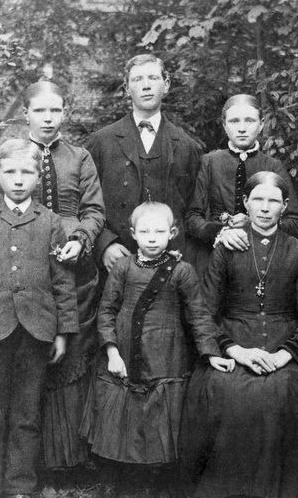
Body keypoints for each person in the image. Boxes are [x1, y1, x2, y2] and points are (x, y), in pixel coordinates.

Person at [0, 81, 105, 469]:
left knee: (65, 354)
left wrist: (80, 239)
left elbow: (95, 210)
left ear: (65, 113)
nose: (48, 118)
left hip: (70, 266)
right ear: (26, 113)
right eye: (40, 111)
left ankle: (66, 458)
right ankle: (13, 464)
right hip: (20, 266)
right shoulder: (11, 156)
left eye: (55, 110)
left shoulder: (79, 157)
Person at [179, 171, 298, 498]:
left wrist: (283, 356)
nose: (265, 208)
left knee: (282, 390)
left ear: (285, 206)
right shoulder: (227, 248)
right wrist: (234, 350)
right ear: (245, 203)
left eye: (273, 201)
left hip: (284, 342)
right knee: (224, 388)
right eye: (258, 200)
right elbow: (205, 310)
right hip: (233, 337)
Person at [0, 139, 78, 498]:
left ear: (38, 177)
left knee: (27, 414)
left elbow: (62, 281)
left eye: (27, 172)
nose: (18, 180)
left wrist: (62, 332)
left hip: (36, 331)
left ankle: (20, 485)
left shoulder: (50, 221)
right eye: (10, 172)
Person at [80, 201, 234, 469]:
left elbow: (198, 315)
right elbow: (106, 311)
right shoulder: (123, 267)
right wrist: (112, 353)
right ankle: (124, 471)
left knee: (158, 410)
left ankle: (156, 471)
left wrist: (211, 353)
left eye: (160, 232)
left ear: (172, 233)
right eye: (145, 232)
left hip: (165, 351)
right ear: (133, 233)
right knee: (124, 407)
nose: (152, 238)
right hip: (124, 348)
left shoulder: (182, 270)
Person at [85, 54, 202, 273]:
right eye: (137, 79)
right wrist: (104, 245)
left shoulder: (188, 147)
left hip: (169, 267)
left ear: (166, 85)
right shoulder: (101, 142)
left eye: (153, 78)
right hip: (116, 263)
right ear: (126, 88)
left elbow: (193, 212)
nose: (146, 86)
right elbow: (85, 203)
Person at [184, 94, 298, 274]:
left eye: (249, 121)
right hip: (213, 257)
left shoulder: (273, 166)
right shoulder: (209, 162)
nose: (242, 128)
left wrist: (255, 224)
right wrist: (220, 232)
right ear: (224, 125)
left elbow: (297, 224)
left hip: (261, 261)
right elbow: (192, 218)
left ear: (261, 124)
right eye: (234, 121)